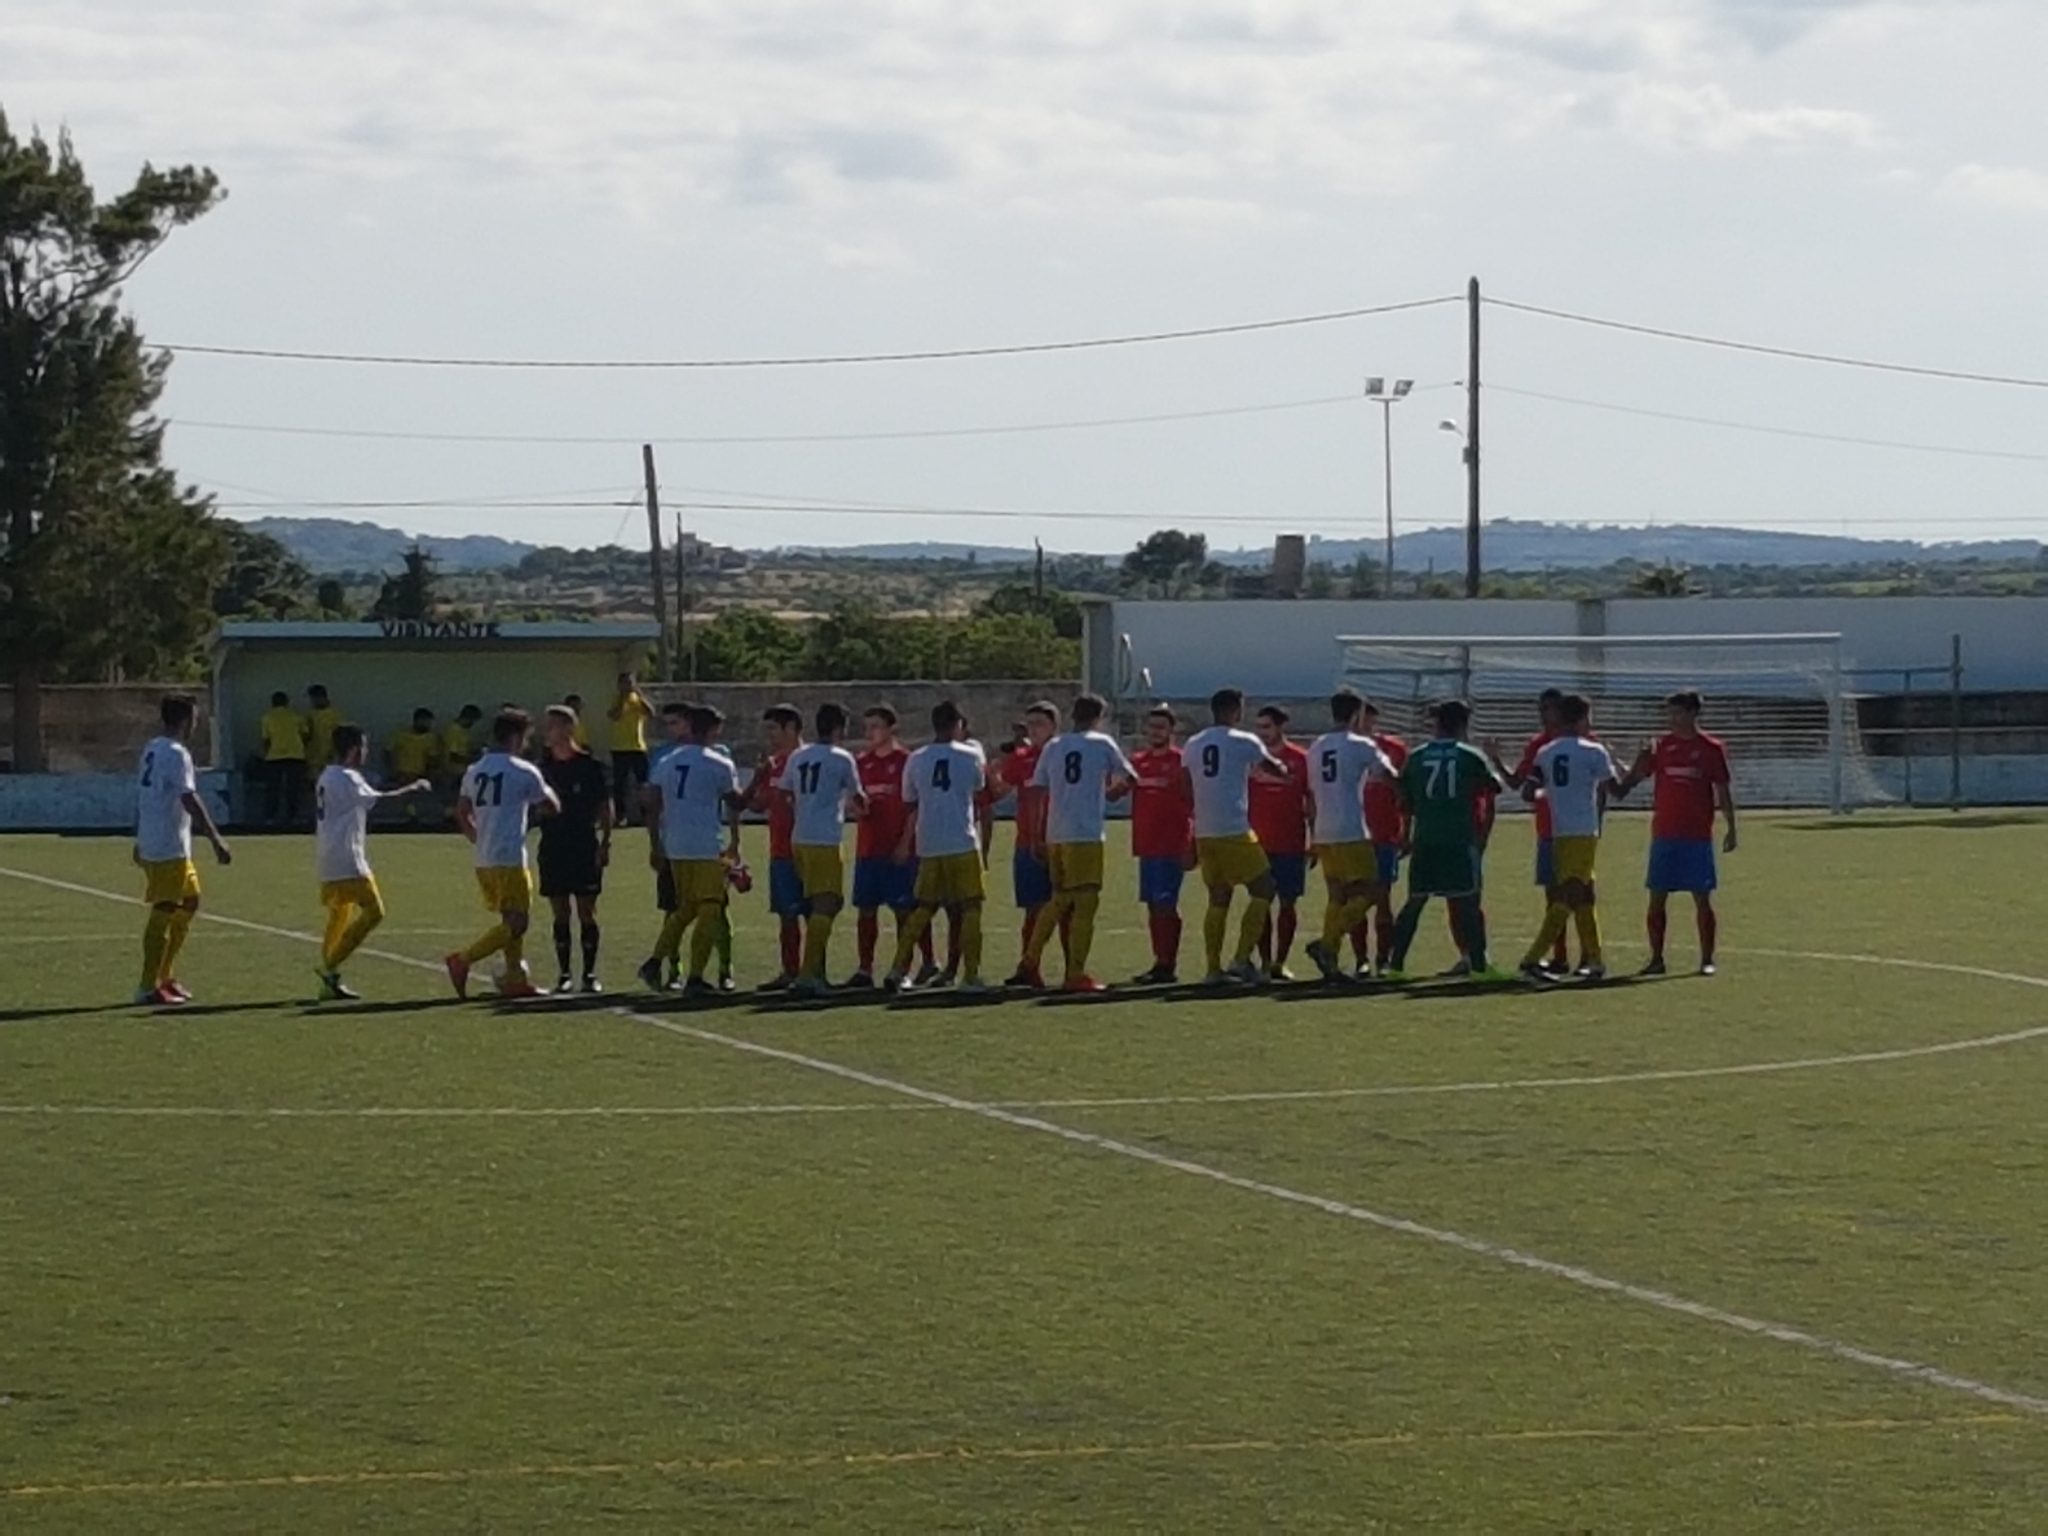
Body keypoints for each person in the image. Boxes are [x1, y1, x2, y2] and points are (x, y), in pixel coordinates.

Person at [1014, 693, 1135, 992]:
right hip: (1085, 834)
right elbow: (1131, 777)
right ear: (1099, 718)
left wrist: (1039, 834)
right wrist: (1112, 793)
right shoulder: (1102, 743)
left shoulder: (1055, 746)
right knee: (1085, 903)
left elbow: (1038, 791)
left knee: (1059, 899)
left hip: (1055, 833)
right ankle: (1075, 972)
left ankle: (1030, 958)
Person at [1384, 700, 1509, 983]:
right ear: (1464, 724)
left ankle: (1395, 966)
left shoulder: (1417, 756)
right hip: (1458, 838)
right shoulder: (1470, 755)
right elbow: (1494, 786)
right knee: (1468, 904)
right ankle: (1480, 967)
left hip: (1425, 838)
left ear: (1437, 724)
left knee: (1414, 902)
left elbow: (1404, 798)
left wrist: (1407, 832)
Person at [1614, 690, 1737, 976]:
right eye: (1669, 713)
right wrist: (1638, 758)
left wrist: (1731, 828)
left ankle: (1707, 959)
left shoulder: (1711, 748)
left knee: (1702, 898)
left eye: (1678, 712)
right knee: (1657, 897)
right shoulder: (1661, 746)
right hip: (1665, 833)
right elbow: (1634, 778)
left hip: (1697, 835)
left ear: (1693, 713)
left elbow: (1722, 790)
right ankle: (1656, 958)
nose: (1672, 718)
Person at [446, 710, 559, 999]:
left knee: (510, 919)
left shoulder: (475, 769)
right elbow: (552, 805)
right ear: (516, 737)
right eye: (526, 738)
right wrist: (540, 801)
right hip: (509, 857)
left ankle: (515, 978)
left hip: (484, 859)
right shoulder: (522, 770)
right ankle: (463, 959)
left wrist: (477, 838)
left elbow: (462, 811)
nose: (526, 744)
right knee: (519, 922)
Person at [313, 725, 432, 1000]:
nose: (366, 752)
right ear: (355, 750)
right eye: (364, 747)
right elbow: (380, 800)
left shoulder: (326, 775)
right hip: (348, 859)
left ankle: (329, 982)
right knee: (375, 912)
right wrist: (413, 787)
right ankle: (328, 966)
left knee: (339, 917)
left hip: (327, 857)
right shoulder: (348, 777)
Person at [1183, 687, 1289, 986]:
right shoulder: (1244, 740)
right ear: (1235, 710)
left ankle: (1213, 969)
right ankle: (1241, 959)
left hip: (1205, 830)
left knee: (1218, 897)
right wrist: (1283, 769)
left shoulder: (1193, 743)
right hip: (1233, 828)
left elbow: (1185, 785)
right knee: (1264, 889)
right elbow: (1274, 767)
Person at [883, 701, 990, 994]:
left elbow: (909, 800)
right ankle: (971, 976)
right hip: (962, 840)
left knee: (923, 907)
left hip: (929, 843)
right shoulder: (970, 755)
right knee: (970, 907)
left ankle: (897, 968)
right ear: (957, 725)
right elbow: (979, 788)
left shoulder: (916, 758)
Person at [638, 704, 744, 995]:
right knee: (710, 909)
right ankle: (695, 977)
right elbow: (736, 802)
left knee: (685, 909)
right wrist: (760, 780)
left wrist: (656, 843)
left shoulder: (667, 761)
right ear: (711, 731)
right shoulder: (718, 763)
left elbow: (651, 802)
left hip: (676, 845)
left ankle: (655, 962)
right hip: (705, 845)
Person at [134, 696, 232, 1007]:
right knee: (164, 908)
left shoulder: (152, 747)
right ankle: (147, 986)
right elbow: (189, 798)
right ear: (185, 720)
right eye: (194, 719)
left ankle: (165, 976)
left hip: (158, 840)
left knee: (190, 901)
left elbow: (146, 794)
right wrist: (215, 838)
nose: (196, 725)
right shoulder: (177, 753)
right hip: (167, 846)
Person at [1512, 694, 1618, 980]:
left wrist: (1554, 794)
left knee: (1584, 895)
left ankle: (1595, 960)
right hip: (1582, 831)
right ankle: (1531, 960)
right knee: (1572, 894)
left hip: (1558, 832)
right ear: (1583, 718)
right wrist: (1638, 768)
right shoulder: (1594, 751)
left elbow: (1528, 793)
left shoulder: (1546, 751)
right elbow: (1617, 790)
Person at [1302, 690, 1397, 983]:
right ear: (1357, 714)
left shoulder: (1317, 746)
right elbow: (1389, 774)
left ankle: (1330, 961)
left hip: (1323, 831)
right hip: (1350, 829)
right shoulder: (1360, 745)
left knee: (1338, 895)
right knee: (1372, 892)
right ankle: (1327, 943)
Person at [777, 703, 867, 997]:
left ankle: (815, 973)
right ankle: (808, 975)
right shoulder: (841, 758)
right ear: (840, 728)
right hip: (825, 839)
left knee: (816, 905)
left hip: (800, 837)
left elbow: (785, 793)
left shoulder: (798, 756)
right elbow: (858, 798)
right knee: (826, 904)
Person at [850, 705, 935, 988]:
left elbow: (914, 806)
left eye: (875, 726)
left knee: (904, 911)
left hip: (898, 849)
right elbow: (853, 801)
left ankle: (903, 970)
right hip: (868, 847)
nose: (869, 733)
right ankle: (864, 969)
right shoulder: (861, 762)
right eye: (867, 727)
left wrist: (905, 842)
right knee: (866, 910)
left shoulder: (907, 761)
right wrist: (858, 808)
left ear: (892, 729)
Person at [538, 703, 613, 993]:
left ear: (568, 728)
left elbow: (605, 806)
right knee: (560, 913)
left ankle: (590, 974)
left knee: (587, 911)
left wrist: (605, 842)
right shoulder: (542, 768)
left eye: (552, 725)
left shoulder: (589, 766)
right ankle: (564, 973)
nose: (547, 731)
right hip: (553, 846)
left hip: (583, 845)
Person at [1505, 688, 1574, 975]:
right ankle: (1560, 955)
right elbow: (1518, 784)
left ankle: (1589, 957)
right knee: (1553, 894)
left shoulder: (1581, 741)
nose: (1544, 715)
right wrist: (1496, 760)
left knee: (1580, 894)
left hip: (1576, 830)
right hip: (1547, 829)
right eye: (1541, 709)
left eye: (1549, 708)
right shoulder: (1538, 744)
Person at [1128, 705, 1193, 984]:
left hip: (1171, 844)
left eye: (1161, 727)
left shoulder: (1181, 762)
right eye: (1151, 726)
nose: (1155, 732)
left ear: (1171, 730)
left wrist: (1191, 843)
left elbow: (1192, 803)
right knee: (1153, 905)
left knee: (1167, 904)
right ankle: (1159, 961)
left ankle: (1168, 963)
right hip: (1146, 844)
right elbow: (1115, 791)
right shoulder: (1137, 762)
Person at [1249, 703, 1313, 980]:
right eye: (1258, 727)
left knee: (1288, 903)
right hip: (1256, 843)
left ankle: (1280, 961)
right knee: (1260, 902)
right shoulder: (1250, 758)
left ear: (1280, 727)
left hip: (1290, 842)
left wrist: (1314, 838)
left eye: (1267, 727)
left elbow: (1311, 800)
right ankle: (1264, 961)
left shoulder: (1301, 759)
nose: (1262, 733)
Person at [746, 703, 806, 989]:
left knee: (815, 912)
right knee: (787, 915)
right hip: (780, 849)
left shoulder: (807, 760)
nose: (768, 735)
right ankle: (790, 971)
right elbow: (758, 806)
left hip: (808, 846)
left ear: (791, 728)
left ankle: (814, 970)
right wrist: (758, 778)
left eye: (773, 729)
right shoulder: (773, 764)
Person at [998, 702, 1060, 963]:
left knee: (1066, 908)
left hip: (1062, 841)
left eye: (1040, 724)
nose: (1034, 730)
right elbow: (998, 790)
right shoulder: (1021, 758)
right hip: (1027, 843)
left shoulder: (1064, 754)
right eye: (1030, 724)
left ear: (1054, 726)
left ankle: (1073, 969)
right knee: (1033, 910)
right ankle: (1029, 964)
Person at [1355, 698, 1410, 977]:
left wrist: (1407, 830)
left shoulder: (1394, 749)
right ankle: (1360, 959)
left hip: (1385, 833)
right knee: (1355, 897)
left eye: (1367, 717)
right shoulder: (1343, 747)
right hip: (1353, 834)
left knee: (1383, 898)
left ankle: (1383, 958)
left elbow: (1405, 794)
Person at [607, 672, 655, 823]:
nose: (627, 686)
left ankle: (645, 815)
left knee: (643, 782)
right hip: (619, 747)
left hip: (638, 746)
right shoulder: (615, 699)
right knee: (620, 784)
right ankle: (620, 816)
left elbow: (651, 713)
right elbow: (614, 716)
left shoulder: (638, 699)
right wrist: (622, 700)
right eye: (624, 683)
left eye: (630, 682)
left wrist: (640, 696)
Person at [257, 690, 309, 825]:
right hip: (295, 755)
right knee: (293, 788)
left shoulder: (267, 718)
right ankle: (292, 816)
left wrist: (266, 754)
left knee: (273, 788)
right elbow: (305, 735)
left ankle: (270, 817)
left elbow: (266, 739)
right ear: (287, 703)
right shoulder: (296, 716)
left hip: (274, 756)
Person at [386, 708, 443, 823]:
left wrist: (429, 775)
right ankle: (408, 817)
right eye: (426, 722)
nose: (428, 725)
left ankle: (424, 816)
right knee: (404, 793)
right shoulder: (400, 734)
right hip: (402, 773)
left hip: (420, 774)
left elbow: (432, 759)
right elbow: (387, 752)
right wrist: (392, 769)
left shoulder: (430, 738)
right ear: (417, 721)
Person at [440, 704, 483, 803]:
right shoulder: (453, 731)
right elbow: (453, 755)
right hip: (453, 771)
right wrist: (471, 760)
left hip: (462, 770)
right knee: (453, 799)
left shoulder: (464, 731)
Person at [304, 685, 343, 787]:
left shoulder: (334, 715)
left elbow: (339, 735)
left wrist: (335, 751)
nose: (313, 702)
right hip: (313, 758)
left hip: (330, 757)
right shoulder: (310, 715)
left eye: (315, 698)